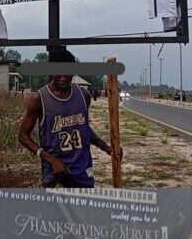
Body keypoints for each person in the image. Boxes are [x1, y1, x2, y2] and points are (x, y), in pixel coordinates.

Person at [18, 46, 121, 187]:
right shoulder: (39, 99)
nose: (63, 78)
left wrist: (107, 148)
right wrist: (51, 160)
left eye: (67, 74)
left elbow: (84, 129)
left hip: (82, 169)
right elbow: (23, 136)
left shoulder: (83, 96)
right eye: (58, 74)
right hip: (55, 172)